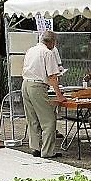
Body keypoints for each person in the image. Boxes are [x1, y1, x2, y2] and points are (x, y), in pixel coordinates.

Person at [21, 30, 66, 158]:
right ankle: (47, 151)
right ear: (52, 42)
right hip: (37, 86)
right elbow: (52, 76)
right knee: (49, 121)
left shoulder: (31, 50)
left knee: (32, 119)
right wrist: (59, 95)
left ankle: (35, 147)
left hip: (25, 84)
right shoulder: (47, 53)